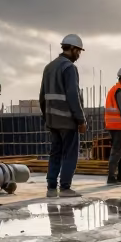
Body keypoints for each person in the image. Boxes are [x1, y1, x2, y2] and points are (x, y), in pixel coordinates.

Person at [39, 34, 86, 198]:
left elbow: (42, 96)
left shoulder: (49, 67)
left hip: (53, 121)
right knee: (69, 153)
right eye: (78, 51)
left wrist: (47, 118)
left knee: (55, 153)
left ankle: (51, 186)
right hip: (67, 120)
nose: (79, 55)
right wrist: (80, 119)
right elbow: (73, 95)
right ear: (72, 49)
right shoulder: (69, 68)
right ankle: (65, 187)